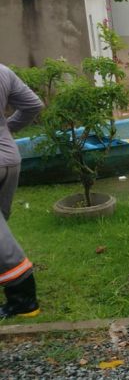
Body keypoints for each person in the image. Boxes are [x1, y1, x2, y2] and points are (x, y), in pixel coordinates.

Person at [0, 63, 44, 319]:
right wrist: (7, 128)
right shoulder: (3, 71)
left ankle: (24, 297)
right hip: (10, 160)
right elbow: (33, 105)